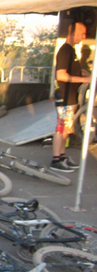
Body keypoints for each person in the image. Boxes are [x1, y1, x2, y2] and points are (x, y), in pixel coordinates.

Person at [50, 21, 91, 172]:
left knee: (66, 128)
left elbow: (76, 73)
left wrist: (88, 75)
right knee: (61, 128)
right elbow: (61, 75)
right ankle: (56, 160)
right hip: (64, 97)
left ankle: (62, 156)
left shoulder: (72, 51)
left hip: (71, 97)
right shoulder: (65, 51)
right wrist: (84, 80)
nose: (84, 36)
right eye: (82, 33)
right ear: (73, 33)